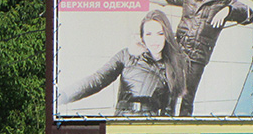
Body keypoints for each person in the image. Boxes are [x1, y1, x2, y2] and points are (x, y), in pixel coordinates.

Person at [150, 0, 253, 116]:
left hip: (198, 55)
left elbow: (248, 15)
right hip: (178, 50)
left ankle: (184, 129)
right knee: (170, 93)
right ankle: (165, 127)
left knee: (187, 97)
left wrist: (228, 10)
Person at [59, 10, 187, 116]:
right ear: (142, 37)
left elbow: (169, 111)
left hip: (150, 126)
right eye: (149, 34)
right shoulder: (127, 56)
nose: (154, 40)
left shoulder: (172, 66)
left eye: (160, 34)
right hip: (123, 122)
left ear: (166, 36)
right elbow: (97, 80)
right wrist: (63, 96)